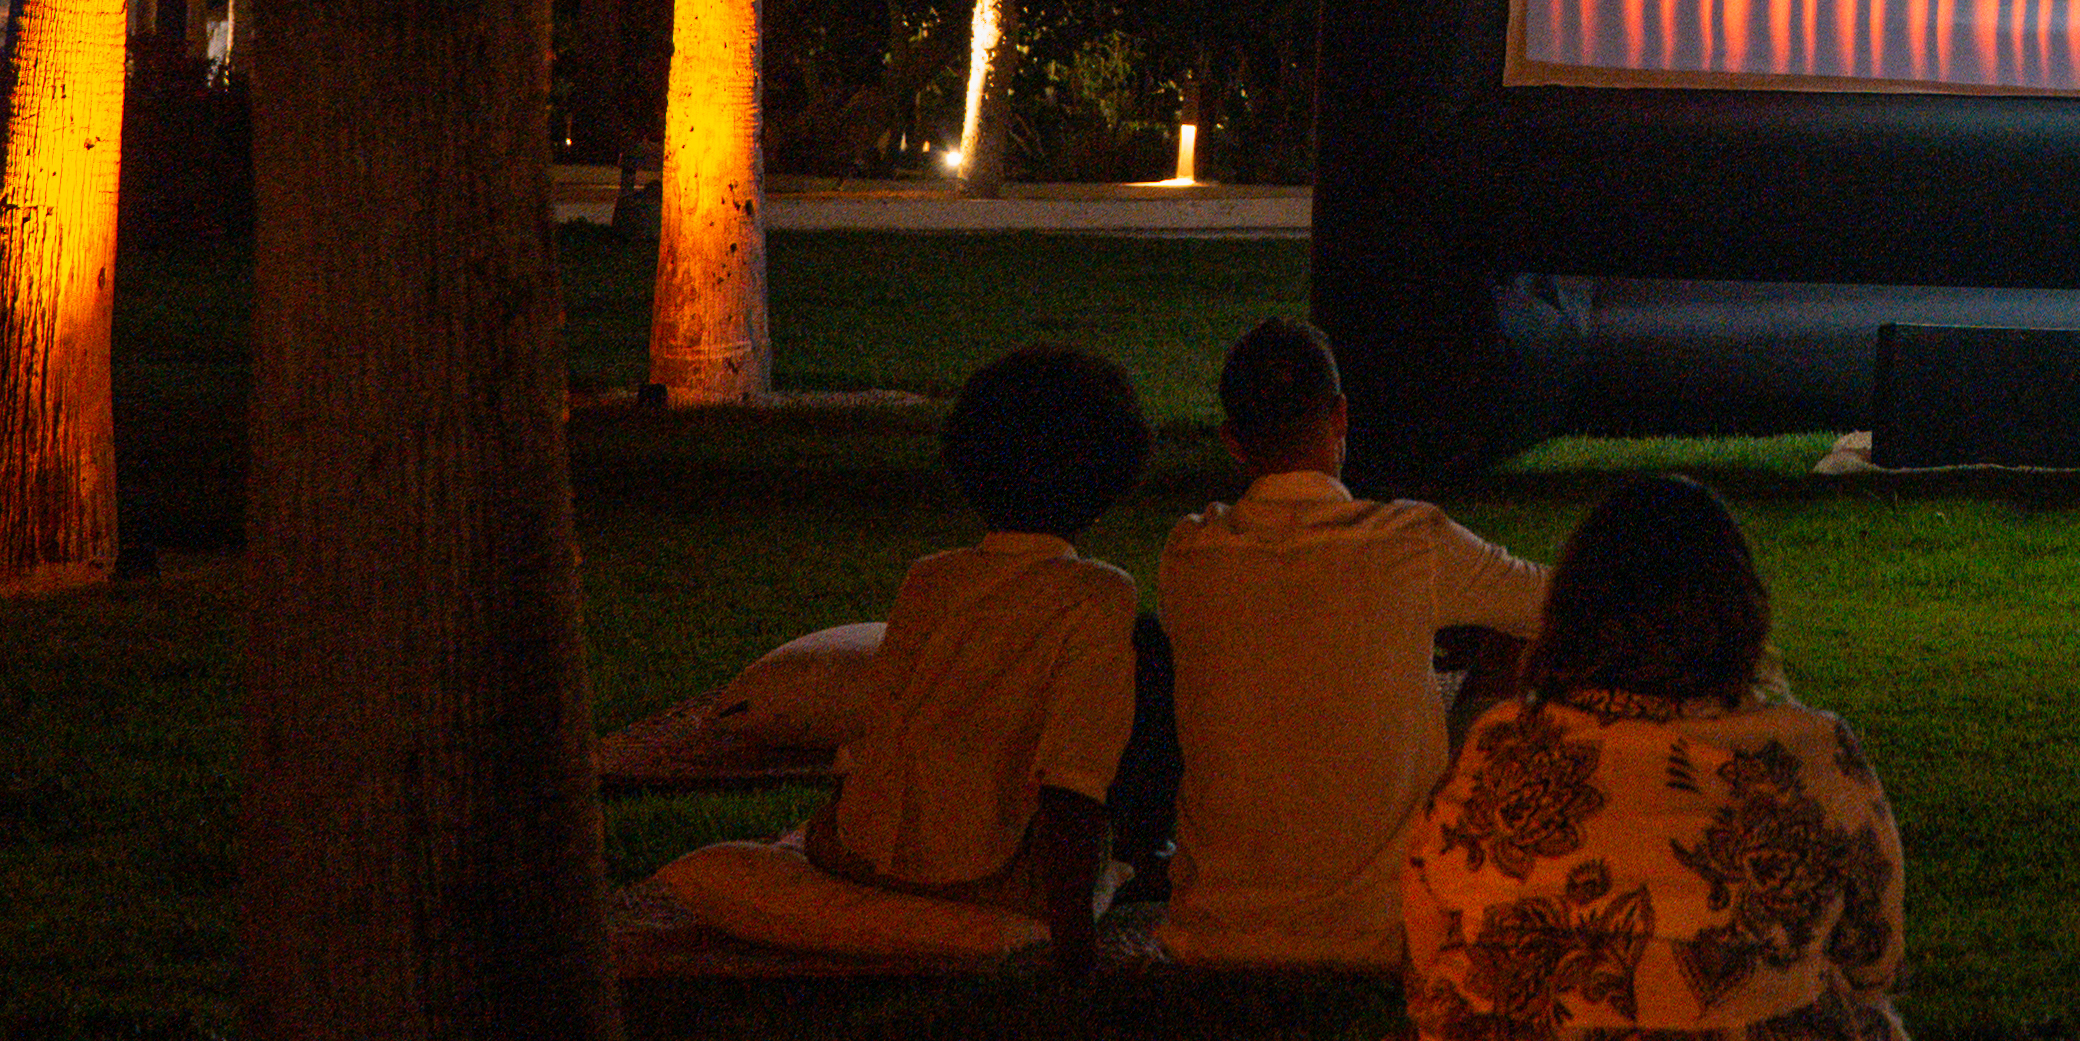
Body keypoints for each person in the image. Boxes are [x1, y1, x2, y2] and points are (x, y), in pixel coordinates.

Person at [1338, 469, 1968, 1041]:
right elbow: (1874, 963)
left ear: (1568, 616)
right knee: (1873, 1033)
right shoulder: (1817, 753)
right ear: (1742, 611)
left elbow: (1427, 970)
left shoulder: (1497, 751)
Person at [651, 342, 1163, 965]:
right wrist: (1076, 944)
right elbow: (1072, 783)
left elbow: (886, 728)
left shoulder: (930, 579)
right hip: (990, 876)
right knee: (1150, 678)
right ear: (1111, 474)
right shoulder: (1099, 595)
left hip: (856, 851)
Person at [1149, 317, 1547, 972]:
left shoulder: (1189, 552)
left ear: (1234, 442)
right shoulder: (1410, 543)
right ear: (1339, 418)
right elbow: (1557, 603)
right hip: (1378, 933)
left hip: (1215, 933)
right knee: (1512, 652)